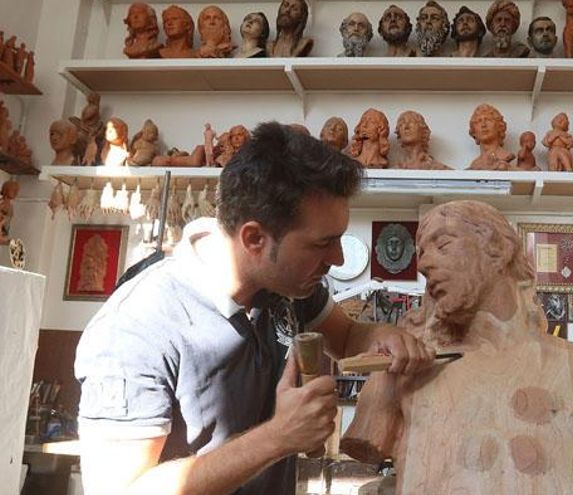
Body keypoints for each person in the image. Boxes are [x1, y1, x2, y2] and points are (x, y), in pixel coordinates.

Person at [75, 122, 435, 495]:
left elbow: (347, 336)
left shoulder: (288, 286)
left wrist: (383, 335)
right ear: (254, 238)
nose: (338, 257)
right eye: (322, 243)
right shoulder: (137, 326)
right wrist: (278, 437)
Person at [341, 200, 573, 493]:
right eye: (422, 252)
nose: (423, 265)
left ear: (498, 250)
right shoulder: (398, 371)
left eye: (443, 244)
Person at [466, 103, 514, 170]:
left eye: (488, 120)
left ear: (499, 126)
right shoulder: (475, 164)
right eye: (478, 121)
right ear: (474, 132)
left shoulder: (505, 156)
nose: (483, 125)